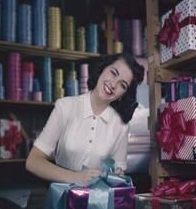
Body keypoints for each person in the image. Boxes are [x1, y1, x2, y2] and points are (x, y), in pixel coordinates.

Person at [26, 52, 145, 185]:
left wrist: (115, 175)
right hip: (60, 197)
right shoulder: (65, 107)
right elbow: (33, 161)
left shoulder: (121, 126)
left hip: (97, 201)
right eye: (113, 73)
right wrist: (75, 177)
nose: (113, 85)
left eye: (122, 85)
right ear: (103, 68)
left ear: (124, 93)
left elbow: (118, 173)